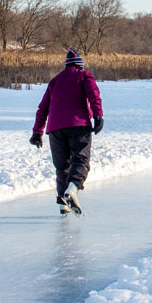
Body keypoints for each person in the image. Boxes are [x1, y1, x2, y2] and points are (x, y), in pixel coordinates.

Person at [30, 48, 104, 217]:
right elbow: (94, 95)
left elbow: (42, 109)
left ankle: (63, 205)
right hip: (79, 125)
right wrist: (98, 115)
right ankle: (72, 190)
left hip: (55, 129)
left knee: (62, 167)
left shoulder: (54, 81)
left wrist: (37, 132)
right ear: (80, 65)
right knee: (81, 160)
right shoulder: (84, 76)